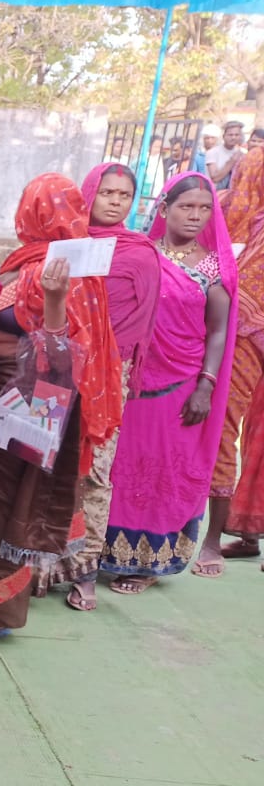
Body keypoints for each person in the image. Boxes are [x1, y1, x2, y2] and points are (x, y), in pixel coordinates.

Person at [0, 174, 122, 642]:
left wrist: (55, 300)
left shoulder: (65, 271)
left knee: (2, 502)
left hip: (26, 394)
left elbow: (60, 346)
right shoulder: (22, 263)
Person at [101, 173, 234, 589]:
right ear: (163, 209)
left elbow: (218, 331)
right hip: (131, 378)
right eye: (186, 207)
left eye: (204, 209)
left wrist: (206, 386)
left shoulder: (213, 265)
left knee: (162, 471)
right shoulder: (141, 254)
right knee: (121, 464)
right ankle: (105, 552)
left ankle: (148, 564)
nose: (195, 216)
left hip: (180, 386)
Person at [53, 163, 160, 609]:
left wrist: (107, 362)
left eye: (124, 195)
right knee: (51, 465)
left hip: (108, 376)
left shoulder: (140, 253)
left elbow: (140, 323)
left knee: (95, 471)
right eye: (107, 193)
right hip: (61, 367)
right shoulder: (69, 244)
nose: (115, 201)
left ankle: (85, 569)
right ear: (89, 193)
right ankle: (45, 561)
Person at [194, 134, 264, 567]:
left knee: (225, 422)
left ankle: (212, 542)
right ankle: (247, 533)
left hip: (248, 330)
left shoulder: (253, 166)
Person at [207, 120, 244, 191]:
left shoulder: (242, 154)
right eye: (230, 135)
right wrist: (232, 161)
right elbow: (215, 178)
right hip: (214, 194)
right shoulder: (212, 152)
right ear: (224, 136)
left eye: (236, 135)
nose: (233, 137)